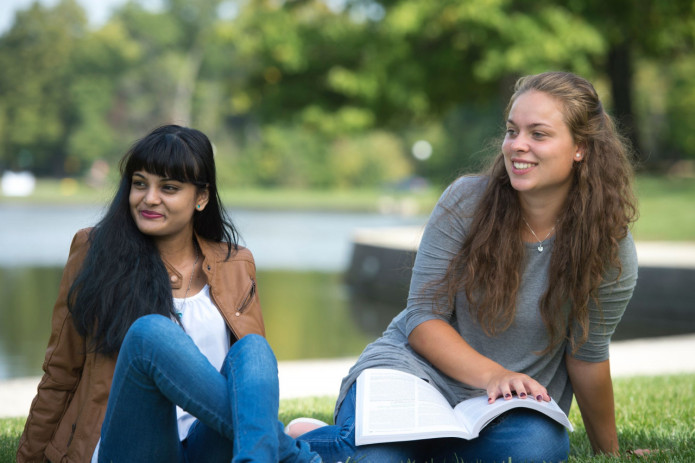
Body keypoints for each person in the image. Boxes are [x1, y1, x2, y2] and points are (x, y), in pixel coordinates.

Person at [287, 71, 639, 462]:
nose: (517, 146)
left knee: (535, 451)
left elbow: (587, 356)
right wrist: (494, 374)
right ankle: (303, 444)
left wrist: (610, 454)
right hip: (413, 374)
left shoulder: (608, 248)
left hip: (504, 407)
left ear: (581, 148)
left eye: (538, 134)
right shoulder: (466, 202)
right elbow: (423, 319)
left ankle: (357, 444)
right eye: (511, 131)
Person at [17, 125, 321, 463]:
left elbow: (252, 393)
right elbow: (60, 372)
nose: (149, 198)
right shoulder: (94, 251)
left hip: (207, 446)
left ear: (201, 198)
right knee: (151, 333)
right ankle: (298, 459)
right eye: (140, 184)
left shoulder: (236, 264)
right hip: (132, 446)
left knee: (254, 350)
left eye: (169, 188)